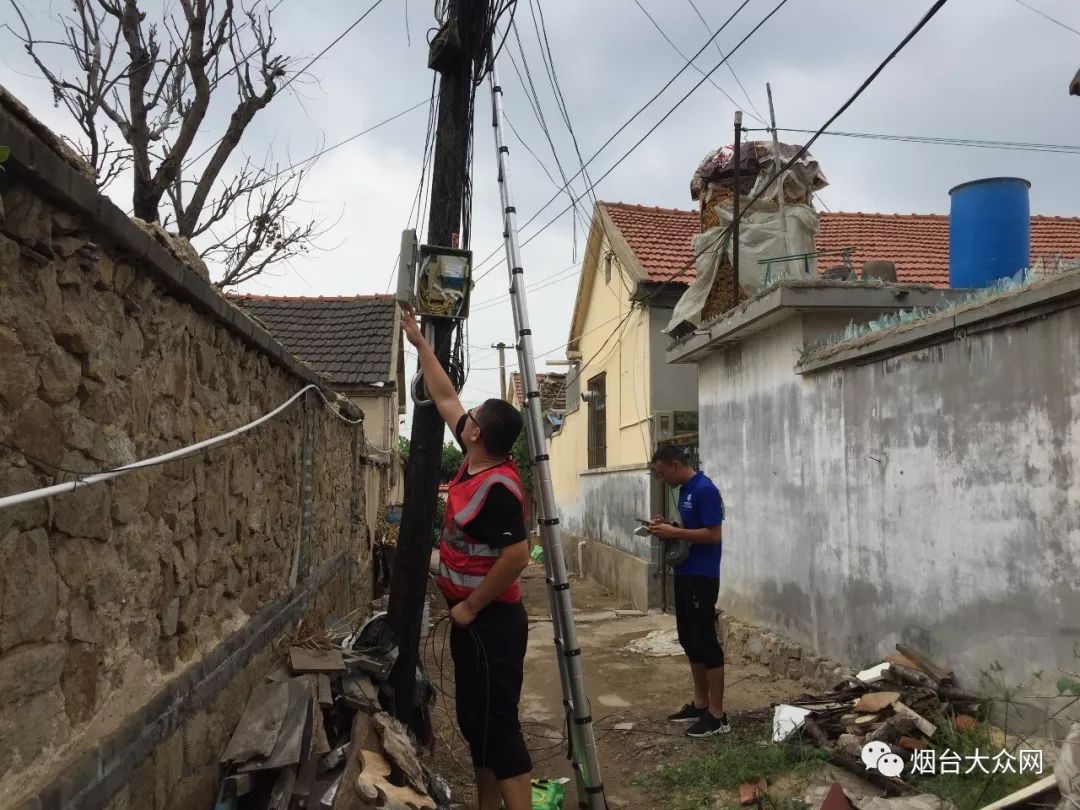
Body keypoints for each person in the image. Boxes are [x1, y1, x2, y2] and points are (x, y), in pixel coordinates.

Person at [401, 307, 533, 810]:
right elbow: (445, 395)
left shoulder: (497, 487)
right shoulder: (477, 458)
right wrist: (420, 344)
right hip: (471, 622)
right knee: (476, 724)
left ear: (477, 435)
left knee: (499, 725)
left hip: (492, 622)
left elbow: (517, 556)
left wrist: (473, 606)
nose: (465, 415)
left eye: (472, 418)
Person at [648, 445, 730, 738]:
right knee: (689, 639)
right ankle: (700, 702)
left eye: (661, 473)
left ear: (674, 464)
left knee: (706, 642)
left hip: (702, 576)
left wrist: (676, 533)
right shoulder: (685, 490)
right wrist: (666, 527)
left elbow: (713, 534)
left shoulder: (704, 489)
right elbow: (688, 529)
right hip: (684, 572)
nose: (661, 479)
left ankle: (718, 716)